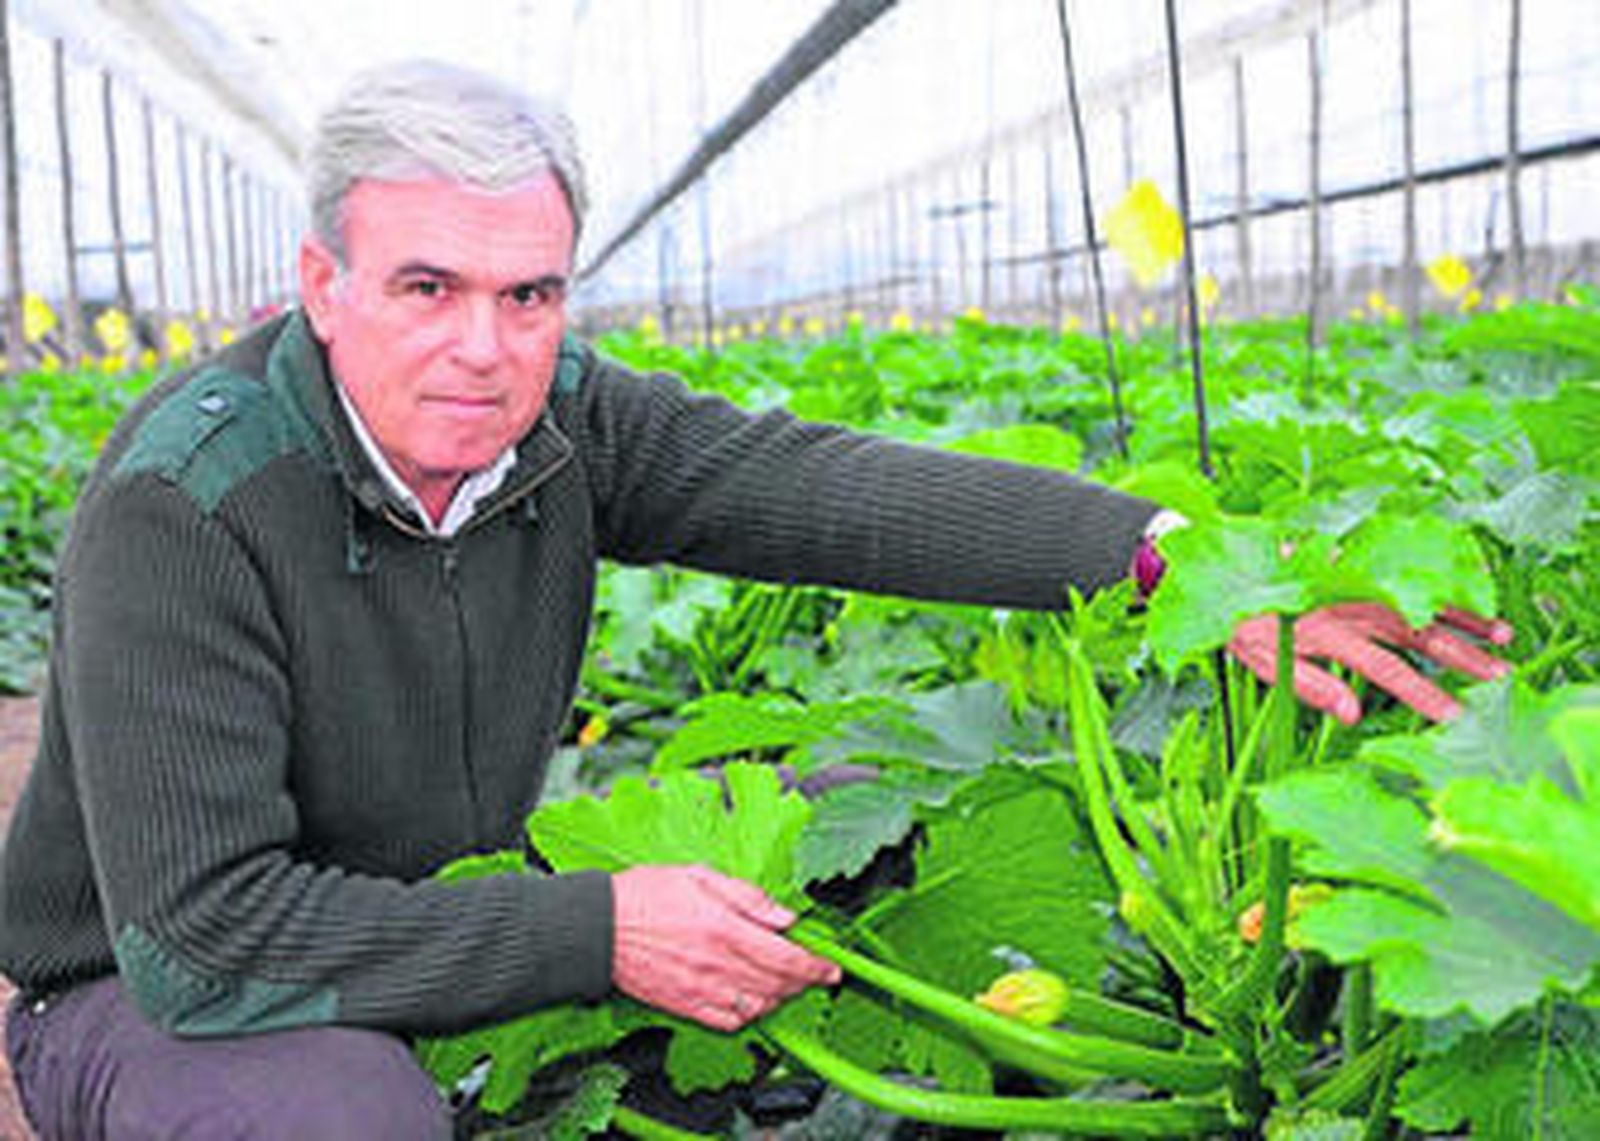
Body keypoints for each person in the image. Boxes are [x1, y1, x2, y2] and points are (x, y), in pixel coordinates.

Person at [0, 60, 1508, 1140]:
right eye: (427, 288)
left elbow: (814, 488)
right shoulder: (189, 501)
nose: (485, 346)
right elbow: (208, 940)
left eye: (530, 295)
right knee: (339, 1112)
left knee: (870, 830)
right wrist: (597, 929)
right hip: (150, 996)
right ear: (322, 286)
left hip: (453, 907)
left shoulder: (556, 421)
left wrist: (1177, 562)